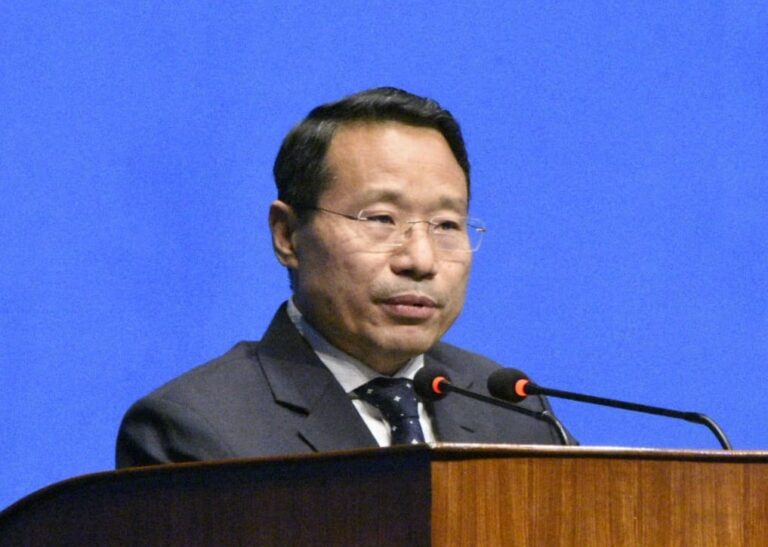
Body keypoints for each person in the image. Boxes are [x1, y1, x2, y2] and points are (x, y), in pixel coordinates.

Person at [116, 87, 568, 468]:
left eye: (447, 225)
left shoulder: (511, 407)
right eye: (381, 219)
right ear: (288, 235)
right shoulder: (197, 428)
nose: (421, 259)